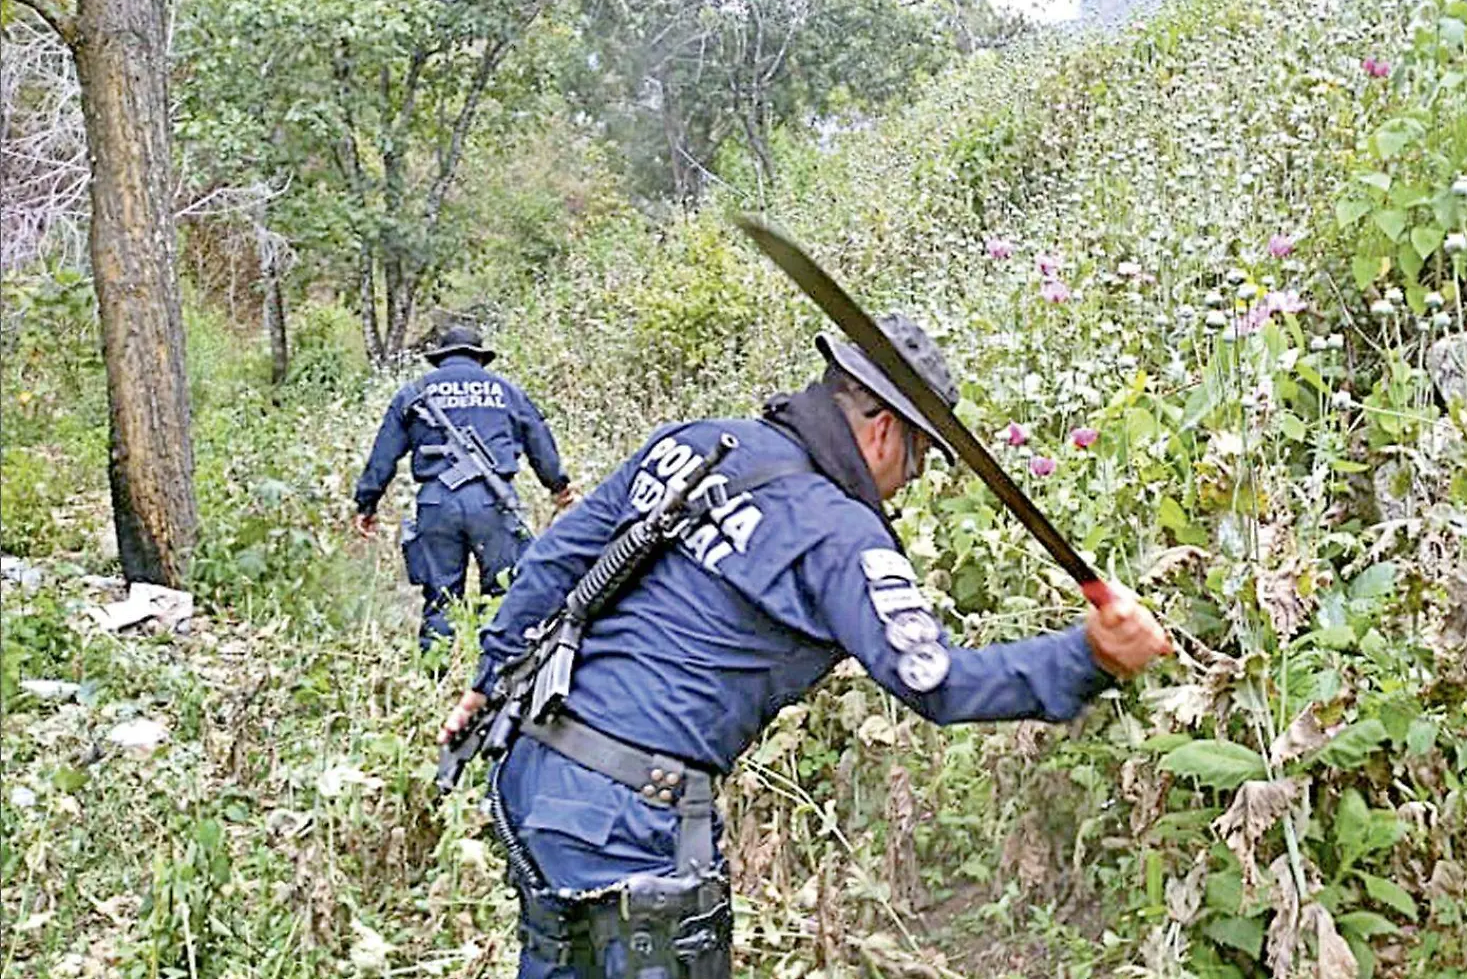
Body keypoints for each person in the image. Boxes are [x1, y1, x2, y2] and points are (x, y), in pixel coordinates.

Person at [438, 313, 1173, 977]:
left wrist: (487, 673)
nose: (908, 485)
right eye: (918, 460)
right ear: (884, 429)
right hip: (629, 815)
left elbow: (555, 560)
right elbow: (938, 682)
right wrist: (1093, 655)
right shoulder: (840, 534)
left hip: (536, 774)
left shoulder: (697, 444)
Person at [353, 325, 577, 650]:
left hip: (436, 503)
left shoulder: (413, 392)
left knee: (440, 599)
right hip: (494, 502)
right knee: (503, 597)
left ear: (441, 358)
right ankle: (493, 683)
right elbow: (538, 439)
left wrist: (367, 503)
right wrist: (558, 485)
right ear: (479, 358)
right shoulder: (505, 391)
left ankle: (435, 680)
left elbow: (383, 454)